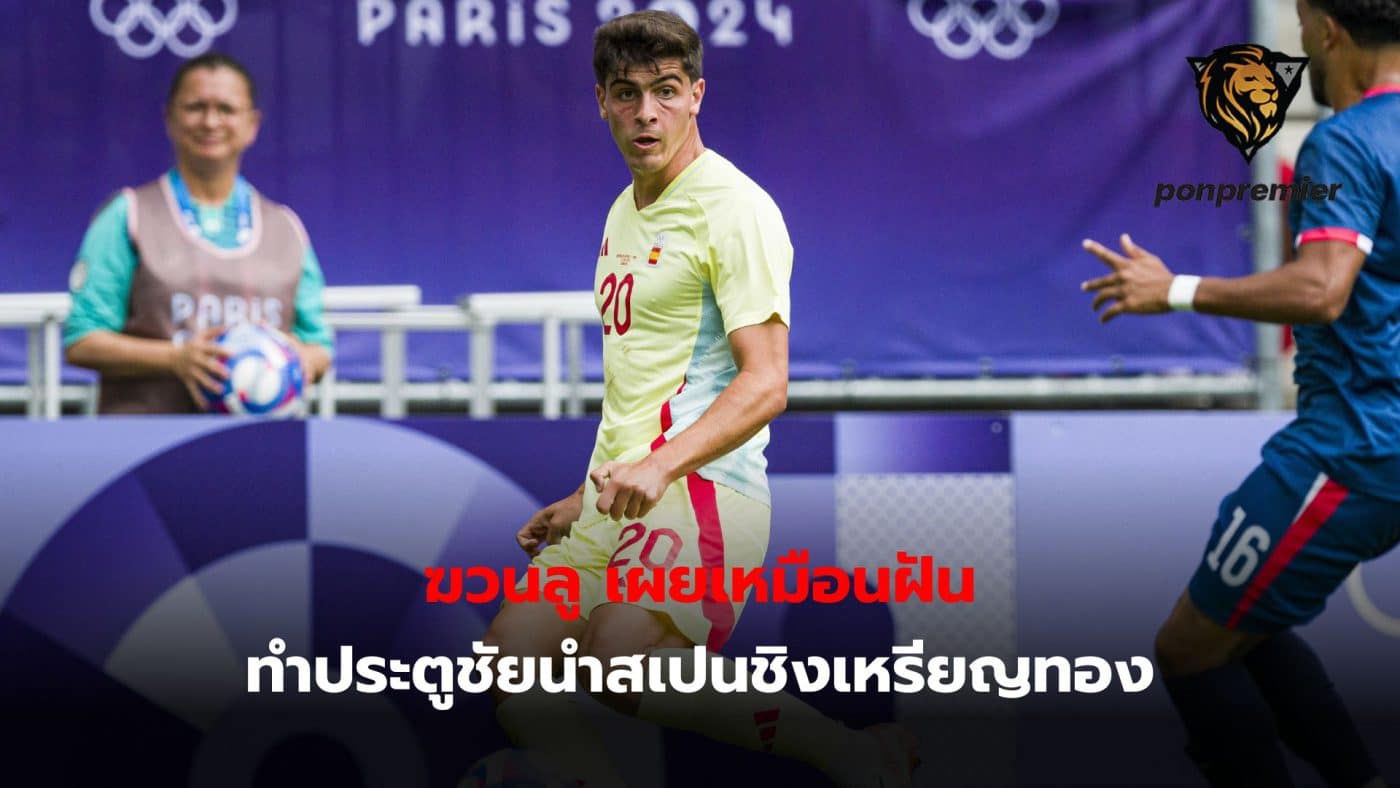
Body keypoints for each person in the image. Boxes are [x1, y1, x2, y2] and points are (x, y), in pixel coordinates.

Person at [481, 11, 918, 788]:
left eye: (665, 91)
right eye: (627, 94)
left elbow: (766, 382)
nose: (646, 113)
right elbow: (647, 387)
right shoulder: (625, 209)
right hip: (620, 497)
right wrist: (588, 496)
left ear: (697, 95)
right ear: (602, 103)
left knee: (619, 660)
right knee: (511, 656)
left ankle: (850, 753)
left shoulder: (735, 208)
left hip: (705, 492)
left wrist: (658, 469)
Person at [1082, 1, 1400, 784]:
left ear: (1327, 27)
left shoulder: (1347, 139)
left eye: (1298, 25)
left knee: (1189, 649)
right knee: (1241, 628)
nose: (1298, 46)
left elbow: (1325, 289)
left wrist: (1178, 289)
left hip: (1354, 449)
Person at [64, 52, 333, 414]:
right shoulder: (128, 216)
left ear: (252, 124)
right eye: (195, 107)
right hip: (144, 450)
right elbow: (82, 340)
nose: (210, 121)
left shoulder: (285, 227)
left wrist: (297, 359)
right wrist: (175, 358)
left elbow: (319, 347)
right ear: (170, 119)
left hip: (260, 450)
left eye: (226, 109)